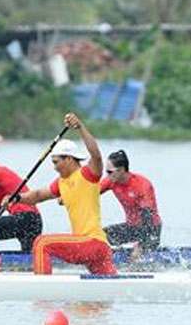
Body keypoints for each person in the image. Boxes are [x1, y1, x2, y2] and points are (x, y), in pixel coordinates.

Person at [7, 113, 116, 275]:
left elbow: (97, 155)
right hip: (97, 250)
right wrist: (16, 198)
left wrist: (80, 127)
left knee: (41, 243)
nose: (54, 167)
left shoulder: (88, 174)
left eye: (56, 162)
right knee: (100, 297)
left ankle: (43, 294)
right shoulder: (60, 182)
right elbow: (37, 195)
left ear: (69, 159)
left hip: (91, 242)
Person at [100, 150, 162, 251]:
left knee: (138, 259)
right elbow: (90, 194)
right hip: (132, 228)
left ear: (121, 170)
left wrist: (141, 245)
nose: (107, 175)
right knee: (100, 236)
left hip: (151, 228)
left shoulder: (141, 185)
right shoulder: (111, 181)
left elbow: (147, 216)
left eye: (109, 172)